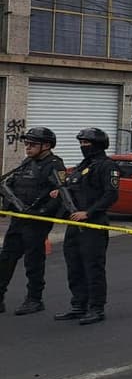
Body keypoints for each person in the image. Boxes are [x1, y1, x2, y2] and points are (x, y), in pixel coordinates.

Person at [54, 128, 119, 325]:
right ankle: (78, 305)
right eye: (81, 143)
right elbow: (72, 190)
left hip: (93, 224)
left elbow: (111, 195)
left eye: (86, 143)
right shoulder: (83, 166)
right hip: (74, 223)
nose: (83, 146)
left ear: (98, 145)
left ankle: (96, 308)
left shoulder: (107, 166)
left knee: (93, 267)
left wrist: (89, 213)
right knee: (74, 266)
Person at [0, 127, 66, 315]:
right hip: (19, 219)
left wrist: (41, 212)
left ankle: (34, 299)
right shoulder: (27, 162)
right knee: (6, 258)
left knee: (33, 260)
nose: (27, 147)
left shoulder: (54, 165)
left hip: (37, 221)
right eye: (26, 143)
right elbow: (11, 184)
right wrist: (7, 206)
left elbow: (60, 194)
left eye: (32, 144)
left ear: (46, 146)